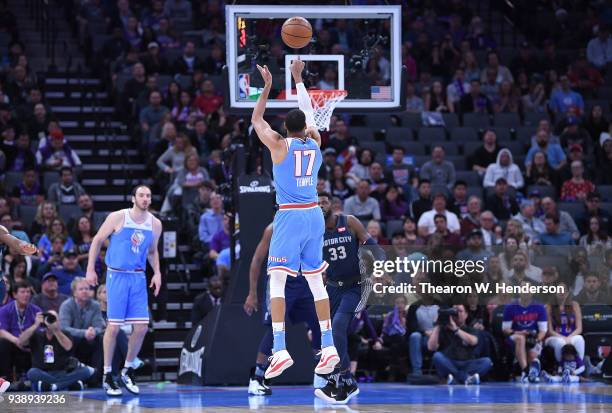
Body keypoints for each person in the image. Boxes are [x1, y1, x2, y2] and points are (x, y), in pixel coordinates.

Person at [251, 59, 339, 381]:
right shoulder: (316, 143)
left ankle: (280, 348)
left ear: (286, 129)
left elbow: (256, 118)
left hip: (289, 216)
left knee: (276, 281)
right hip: (315, 215)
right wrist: (298, 79)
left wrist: (267, 87)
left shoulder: (278, 145)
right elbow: (309, 113)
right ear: (306, 127)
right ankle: (328, 347)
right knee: (316, 282)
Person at [85, 185, 162, 396]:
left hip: (138, 277)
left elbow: (153, 251)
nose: (145, 198)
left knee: (142, 327)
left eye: (148, 195)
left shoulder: (155, 224)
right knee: (114, 327)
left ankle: (127, 370)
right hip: (116, 275)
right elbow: (97, 240)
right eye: (141, 195)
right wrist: (90, 269)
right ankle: (108, 374)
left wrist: (157, 273)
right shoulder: (119, 217)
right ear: (133, 198)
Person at [315, 192, 383, 403]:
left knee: (337, 326)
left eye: (323, 201)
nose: (320, 205)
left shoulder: (349, 221)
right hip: (332, 288)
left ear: (333, 205)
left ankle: (341, 380)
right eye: (316, 202)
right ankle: (346, 380)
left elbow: (376, 249)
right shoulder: (313, 231)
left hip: (356, 286)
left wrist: (379, 270)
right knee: (330, 334)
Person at [243, 223, 321, 397]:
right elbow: (256, 260)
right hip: (280, 281)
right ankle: (257, 378)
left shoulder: (308, 224)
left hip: (303, 281)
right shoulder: (272, 229)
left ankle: (322, 374)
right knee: (276, 328)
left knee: (319, 322)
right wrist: (252, 293)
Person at [20, 310, 94, 391]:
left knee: (87, 371)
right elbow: (21, 341)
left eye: (53, 319)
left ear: (58, 321)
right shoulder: (36, 335)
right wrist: (35, 324)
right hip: (41, 372)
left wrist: (55, 330)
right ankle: (65, 384)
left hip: (62, 372)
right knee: (31, 372)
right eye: (48, 318)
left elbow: (68, 347)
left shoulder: (65, 333)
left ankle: (53, 386)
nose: (50, 321)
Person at [427, 303, 493, 384]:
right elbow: (431, 347)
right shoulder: (443, 329)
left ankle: (454, 378)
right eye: (454, 311)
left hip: (468, 363)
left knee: (487, 362)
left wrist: (455, 329)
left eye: (460, 311)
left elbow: (473, 341)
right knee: (437, 356)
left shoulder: (471, 329)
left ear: (466, 315)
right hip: (450, 362)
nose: (456, 313)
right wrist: (438, 325)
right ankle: (466, 378)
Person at [502, 282, 548, 382]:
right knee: (520, 338)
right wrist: (518, 332)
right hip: (515, 336)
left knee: (532, 356)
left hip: (534, 337)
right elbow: (505, 329)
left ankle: (532, 375)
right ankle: (525, 371)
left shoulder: (540, 307)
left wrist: (537, 339)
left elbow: (543, 331)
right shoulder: (510, 307)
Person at [544, 283, 585, 364]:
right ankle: (561, 367)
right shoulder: (549, 306)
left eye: (564, 290)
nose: (561, 292)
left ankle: (579, 367)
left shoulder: (574, 305)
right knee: (560, 343)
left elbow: (579, 328)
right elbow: (550, 331)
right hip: (554, 337)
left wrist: (569, 337)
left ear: (567, 293)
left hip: (571, 335)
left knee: (580, 339)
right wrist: (563, 338)